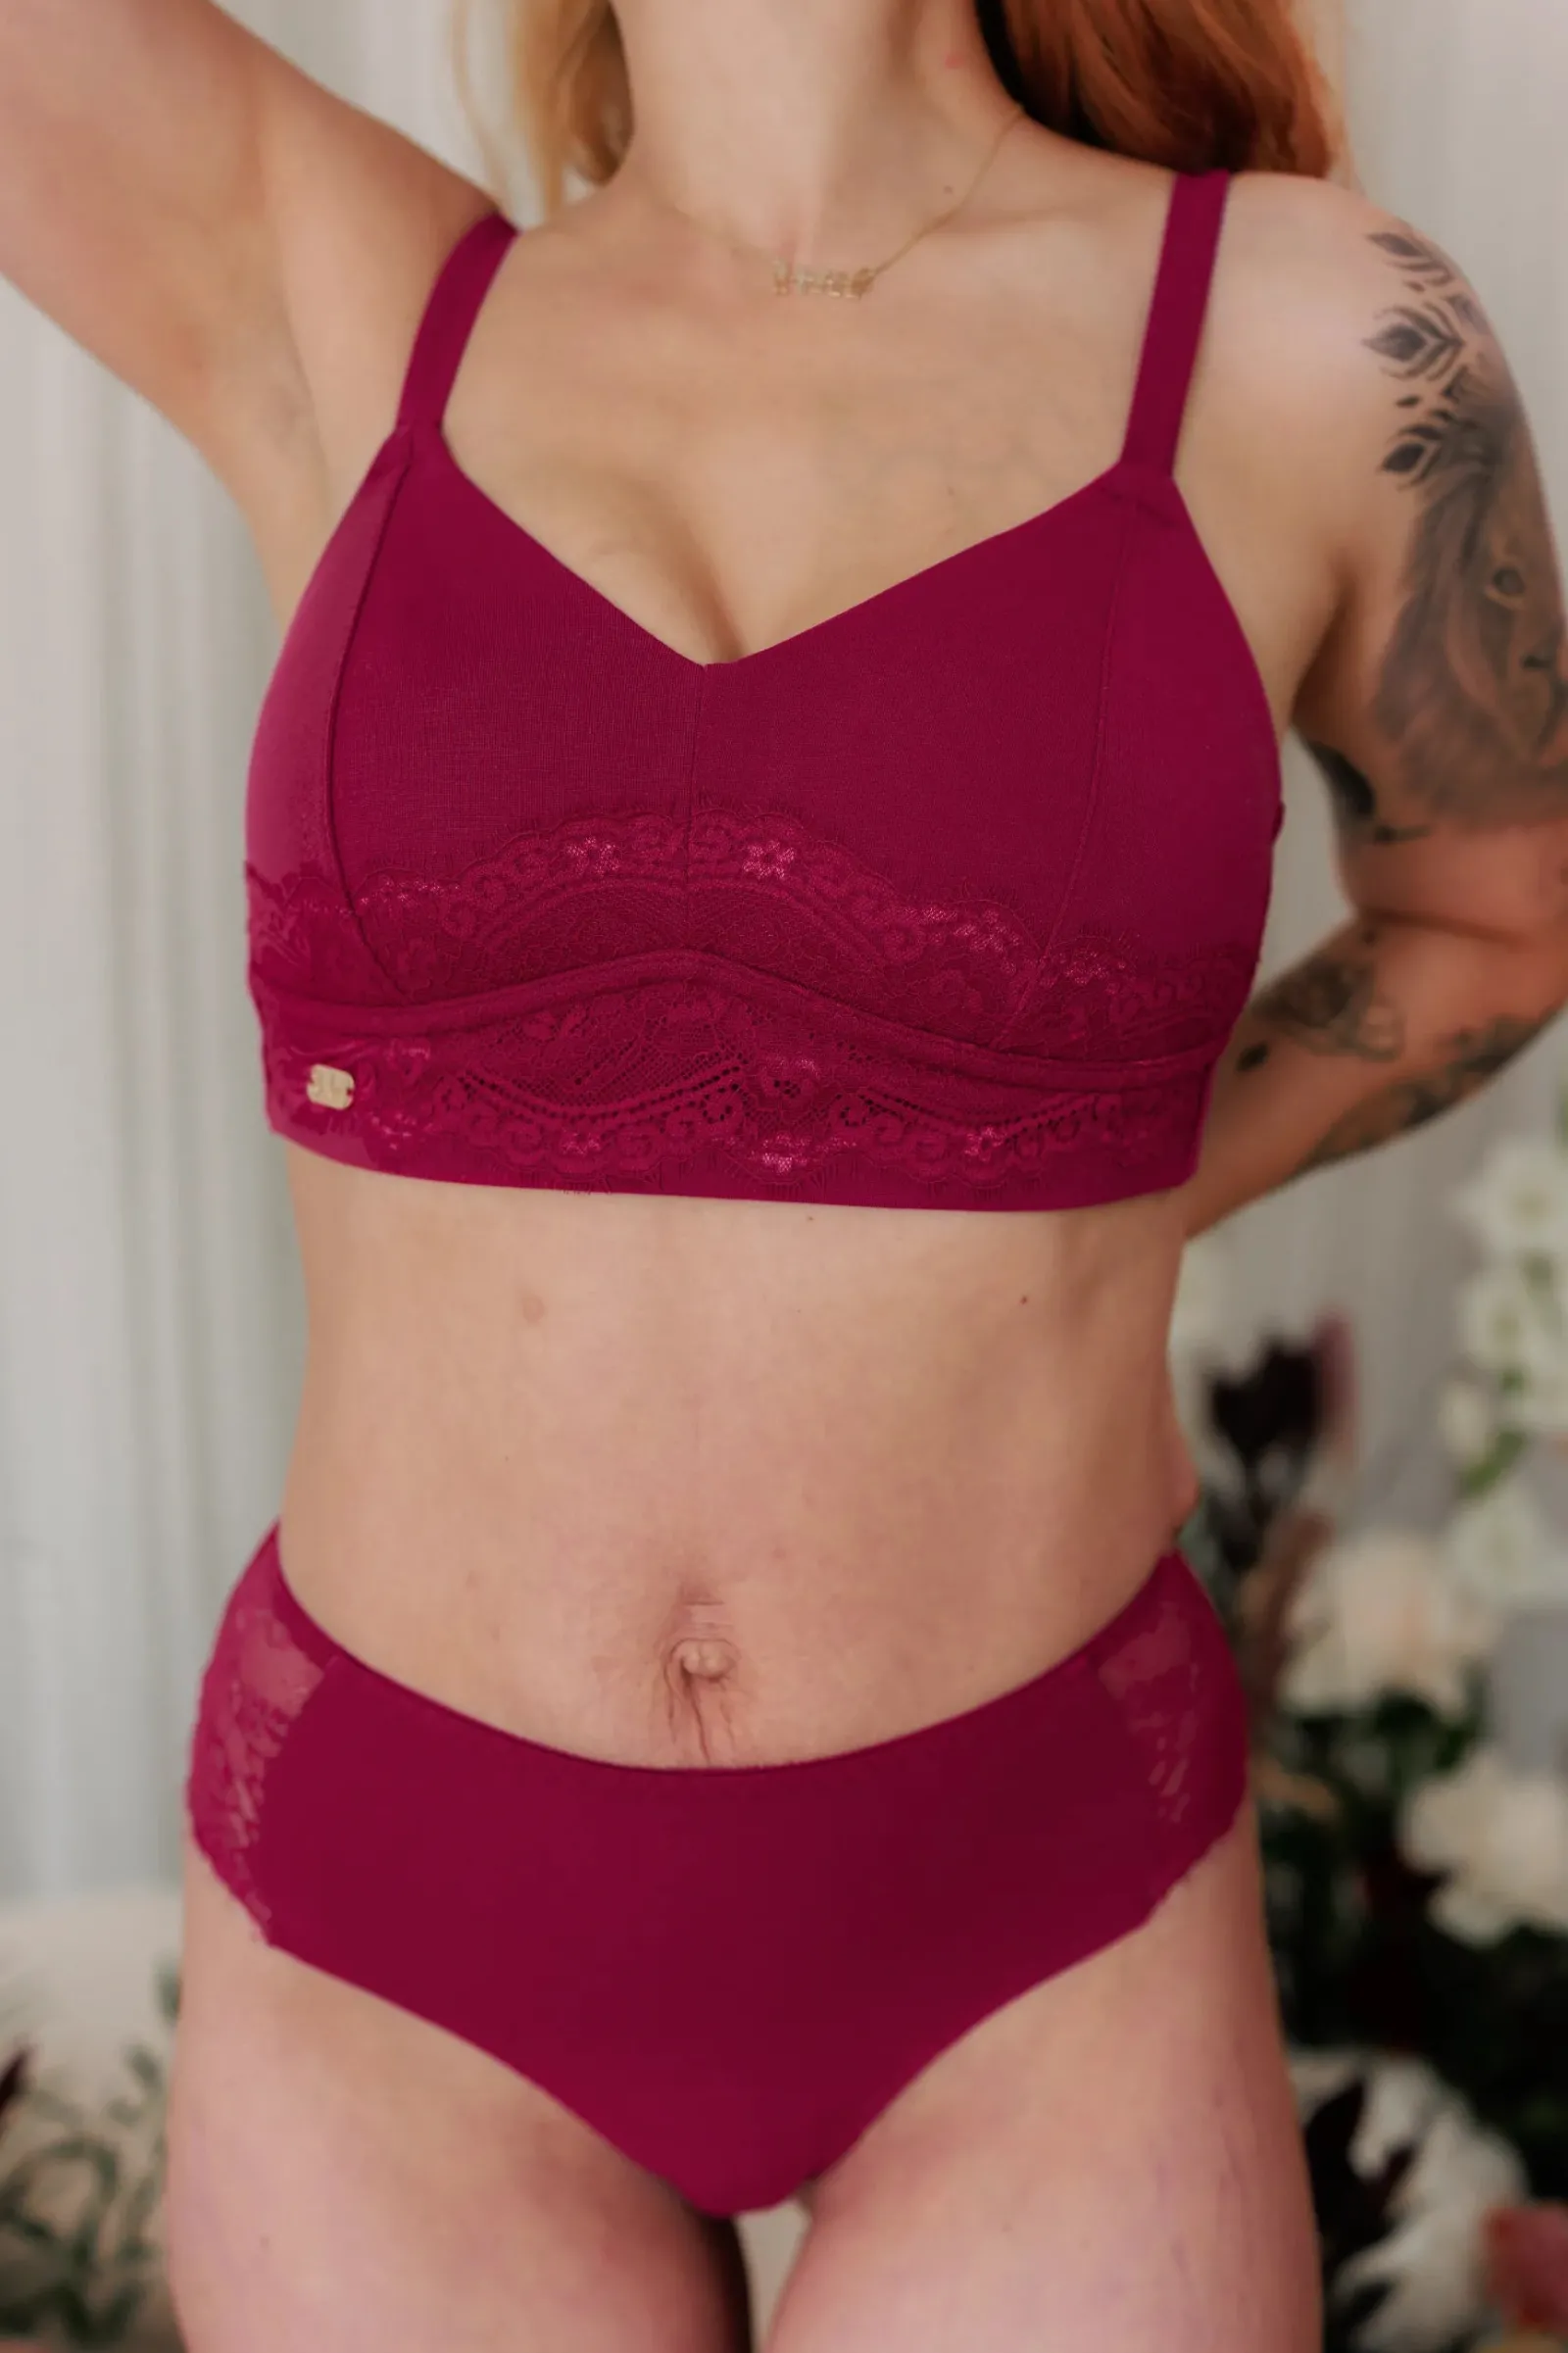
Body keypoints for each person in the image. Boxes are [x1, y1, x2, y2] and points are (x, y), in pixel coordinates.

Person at [4, 0, 1567, 2344]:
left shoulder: (1306, 336)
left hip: (1037, 1929)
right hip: (397, 1953)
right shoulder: (332, 283)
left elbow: (1497, 913)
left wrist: (1096, 1188)